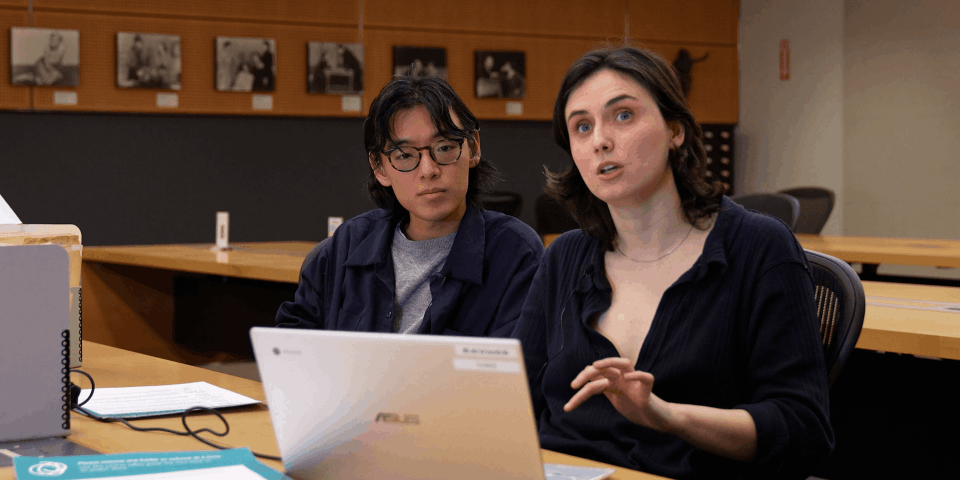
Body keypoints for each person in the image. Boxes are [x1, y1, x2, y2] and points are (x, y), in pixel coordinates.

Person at [511, 46, 833, 479]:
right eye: (581, 127)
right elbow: (513, 405)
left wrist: (666, 415)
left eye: (622, 115)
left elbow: (803, 431)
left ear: (675, 129)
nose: (600, 140)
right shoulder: (564, 257)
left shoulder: (759, 247)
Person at [276, 75, 543, 338]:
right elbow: (290, 348)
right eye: (405, 155)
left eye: (445, 147)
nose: (428, 170)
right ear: (379, 168)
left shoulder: (515, 252)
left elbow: (514, 372)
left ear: (472, 148)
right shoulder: (346, 246)